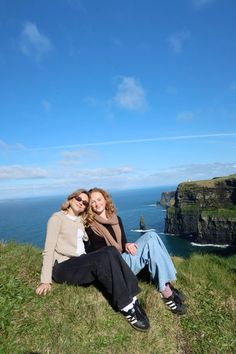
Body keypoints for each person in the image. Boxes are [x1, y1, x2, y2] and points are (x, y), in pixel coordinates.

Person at [36, 188, 150, 331]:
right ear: (71, 199)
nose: (81, 203)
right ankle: (127, 307)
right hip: (63, 266)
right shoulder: (57, 218)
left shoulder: (81, 220)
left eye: (84, 202)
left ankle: (132, 298)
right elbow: (48, 249)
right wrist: (45, 280)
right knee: (104, 255)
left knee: (110, 251)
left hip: (81, 262)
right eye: (78, 199)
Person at [86, 188, 187, 315]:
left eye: (99, 199)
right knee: (150, 239)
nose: (97, 204)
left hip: (123, 259)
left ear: (105, 200)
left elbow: (122, 243)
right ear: (89, 206)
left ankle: (165, 285)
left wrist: (126, 244)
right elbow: (100, 255)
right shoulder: (91, 226)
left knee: (152, 235)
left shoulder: (116, 219)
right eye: (92, 202)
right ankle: (167, 294)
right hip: (114, 268)